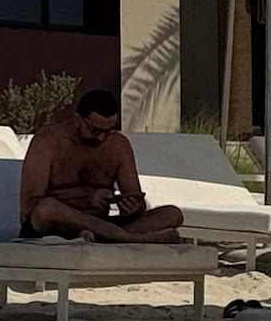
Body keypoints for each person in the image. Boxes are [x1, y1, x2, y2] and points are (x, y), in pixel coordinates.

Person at [18, 89, 186, 243]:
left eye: (109, 130)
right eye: (95, 130)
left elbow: (136, 199)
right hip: (57, 226)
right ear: (78, 120)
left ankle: (104, 236)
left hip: (100, 223)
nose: (101, 138)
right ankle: (129, 237)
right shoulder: (48, 141)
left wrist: (132, 207)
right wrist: (85, 199)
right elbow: (29, 206)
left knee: (172, 214)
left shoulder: (118, 146)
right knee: (46, 209)